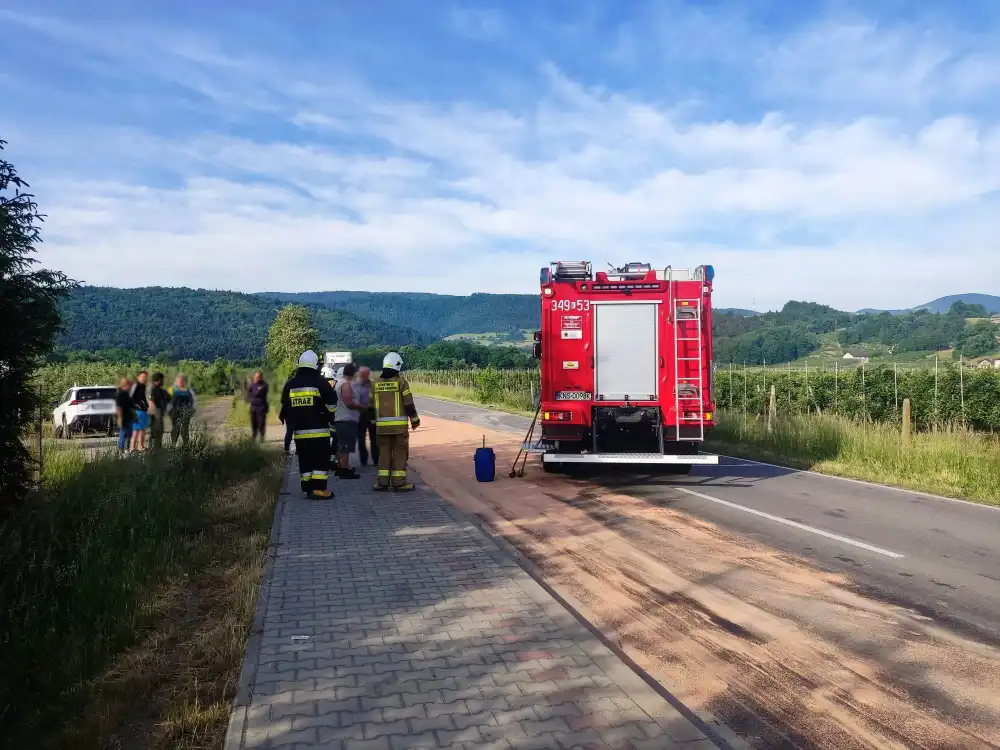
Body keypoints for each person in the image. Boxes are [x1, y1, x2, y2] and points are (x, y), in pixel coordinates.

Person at [281, 350, 338, 499]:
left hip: (300, 433)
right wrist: (328, 414)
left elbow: (285, 407)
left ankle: (308, 488)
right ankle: (318, 490)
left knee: (305, 460)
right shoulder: (320, 382)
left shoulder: (290, 384)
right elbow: (332, 402)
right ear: (315, 365)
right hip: (319, 431)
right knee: (320, 460)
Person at [371, 352, 420, 491]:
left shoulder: (375, 383)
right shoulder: (401, 383)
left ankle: (382, 483)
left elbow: (369, 405)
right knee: (400, 453)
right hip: (399, 429)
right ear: (397, 366)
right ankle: (399, 483)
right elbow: (409, 404)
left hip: (381, 429)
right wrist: (415, 420)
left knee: (384, 454)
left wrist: (372, 422)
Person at [333, 363, 363, 479]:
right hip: (345, 420)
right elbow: (349, 403)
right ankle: (344, 470)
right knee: (345, 447)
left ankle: (342, 467)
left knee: (342, 446)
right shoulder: (345, 384)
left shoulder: (339, 383)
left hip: (341, 419)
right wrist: (360, 407)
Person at [355, 366, 378, 468]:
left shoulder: (374, 384)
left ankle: (376, 459)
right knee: (361, 439)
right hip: (360, 415)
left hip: (372, 413)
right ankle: (363, 460)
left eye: (366, 374)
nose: (364, 376)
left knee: (374, 439)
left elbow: (378, 400)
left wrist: (371, 405)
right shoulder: (355, 385)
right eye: (362, 375)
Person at [169, 374, 198, 447]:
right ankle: (173, 446)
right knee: (175, 429)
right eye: (179, 381)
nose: (180, 382)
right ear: (176, 381)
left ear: (184, 382)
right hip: (175, 413)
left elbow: (194, 402)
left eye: (182, 381)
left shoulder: (189, 391)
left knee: (185, 430)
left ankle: (186, 446)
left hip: (185, 412)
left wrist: (191, 411)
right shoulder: (172, 389)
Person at [148, 372, 171, 452]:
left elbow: (170, 399)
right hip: (155, 415)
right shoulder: (153, 389)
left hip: (160, 415)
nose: (163, 381)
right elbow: (151, 403)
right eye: (162, 380)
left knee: (159, 432)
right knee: (155, 433)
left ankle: (158, 448)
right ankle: (153, 450)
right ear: (158, 380)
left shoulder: (161, 390)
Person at [130, 370, 150, 452]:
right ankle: (132, 447)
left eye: (145, 377)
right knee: (136, 429)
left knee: (143, 429)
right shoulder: (135, 385)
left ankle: (140, 446)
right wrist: (136, 405)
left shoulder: (143, 386)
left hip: (143, 410)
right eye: (142, 377)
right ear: (138, 377)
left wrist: (146, 405)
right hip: (137, 410)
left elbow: (143, 397)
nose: (144, 378)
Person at [247, 370, 270, 442]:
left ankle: (262, 437)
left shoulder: (265, 385)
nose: (256, 378)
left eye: (258, 377)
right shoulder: (252, 385)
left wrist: (255, 392)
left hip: (261, 407)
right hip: (253, 407)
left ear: (261, 377)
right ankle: (254, 436)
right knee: (253, 423)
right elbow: (249, 393)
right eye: (255, 377)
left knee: (261, 423)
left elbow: (257, 393)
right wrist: (254, 392)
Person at [115, 377, 135, 454]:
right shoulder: (120, 394)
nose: (131, 388)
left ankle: (126, 448)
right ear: (126, 385)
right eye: (130, 386)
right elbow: (119, 407)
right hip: (124, 417)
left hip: (129, 417)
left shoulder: (126, 394)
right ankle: (121, 450)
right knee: (123, 434)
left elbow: (131, 406)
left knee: (129, 434)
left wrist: (134, 415)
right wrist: (120, 418)